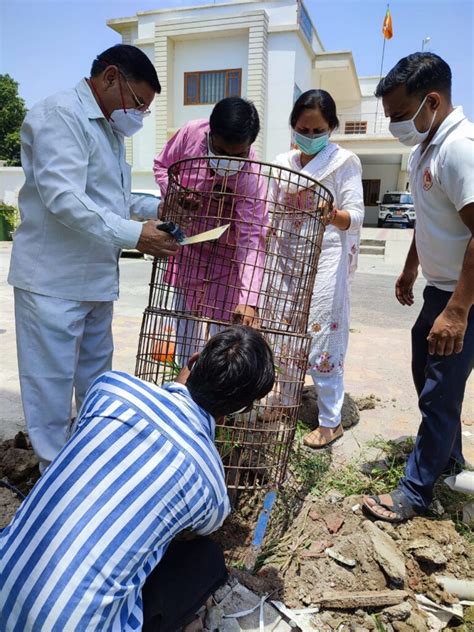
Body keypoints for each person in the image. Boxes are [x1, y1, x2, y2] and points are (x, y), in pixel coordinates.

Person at [0, 326, 276, 632]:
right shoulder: (210, 482)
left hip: (4, 590)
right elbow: (202, 528)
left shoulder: (111, 388)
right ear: (241, 409)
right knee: (207, 558)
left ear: (195, 359)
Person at [8, 44, 180, 473]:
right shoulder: (60, 115)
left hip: (94, 283)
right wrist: (134, 235)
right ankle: (55, 483)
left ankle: (87, 469)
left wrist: (156, 210)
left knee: (95, 385)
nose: (138, 114)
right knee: (49, 390)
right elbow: (64, 198)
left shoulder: (108, 131)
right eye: (138, 102)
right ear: (109, 77)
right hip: (52, 282)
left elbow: (109, 199)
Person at [363, 53, 474, 522]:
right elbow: (427, 218)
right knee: (424, 367)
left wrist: (458, 310)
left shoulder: (461, 148)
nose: (394, 126)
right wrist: (411, 268)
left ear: (431, 101)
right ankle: (448, 459)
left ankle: (416, 490)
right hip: (438, 288)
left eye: (399, 116)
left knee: (440, 388)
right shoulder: (425, 146)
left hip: (463, 296)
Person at [269, 89, 364, 448]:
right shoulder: (283, 164)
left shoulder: (344, 162)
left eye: (317, 130)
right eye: (303, 129)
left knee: (322, 335)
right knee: (286, 332)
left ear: (332, 128)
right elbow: (270, 211)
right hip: (285, 258)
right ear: (293, 127)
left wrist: (334, 215)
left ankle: (330, 421)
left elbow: (356, 214)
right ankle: (287, 401)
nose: (309, 137)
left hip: (325, 260)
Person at [153, 97, 268, 340]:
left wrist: (249, 299)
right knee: (186, 334)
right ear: (210, 134)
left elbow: (252, 238)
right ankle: (184, 376)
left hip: (227, 260)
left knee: (224, 338)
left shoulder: (252, 175)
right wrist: (176, 193)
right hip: (189, 252)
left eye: (237, 155)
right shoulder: (190, 134)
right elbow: (162, 166)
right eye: (221, 151)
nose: (227, 160)